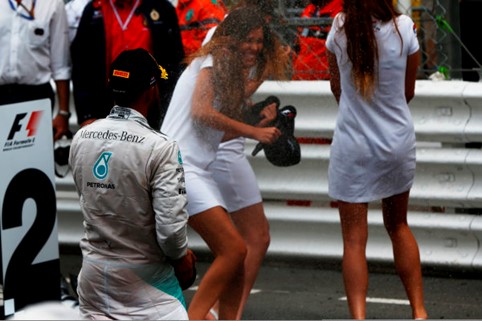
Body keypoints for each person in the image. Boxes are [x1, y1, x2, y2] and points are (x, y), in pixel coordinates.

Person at [161, 7, 290, 320]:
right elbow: (201, 111)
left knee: (237, 254)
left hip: (193, 168)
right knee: (234, 250)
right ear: (231, 38)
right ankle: (196, 317)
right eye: (248, 40)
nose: (255, 48)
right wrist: (254, 131)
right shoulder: (215, 57)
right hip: (178, 167)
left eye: (260, 42)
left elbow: (223, 117)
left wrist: (262, 79)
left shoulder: (227, 65)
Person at [69, 48, 196, 320]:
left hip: (92, 277)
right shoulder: (161, 147)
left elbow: (89, 198)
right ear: (152, 90)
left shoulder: (81, 137)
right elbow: (171, 233)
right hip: (145, 283)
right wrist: (183, 258)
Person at [325, 1, 428, 319]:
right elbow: (407, 91)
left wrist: (360, 112)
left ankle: (358, 316)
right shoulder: (405, 28)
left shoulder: (340, 27)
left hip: (353, 145)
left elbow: (336, 88)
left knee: (354, 240)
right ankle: (419, 311)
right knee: (398, 225)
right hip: (396, 142)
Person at [200, 0, 292, 319]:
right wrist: (267, 72)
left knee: (241, 242)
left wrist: (258, 115)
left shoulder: (235, 35)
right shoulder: (223, 38)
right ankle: (221, 311)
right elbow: (223, 106)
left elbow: (231, 101)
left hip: (222, 146)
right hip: (219, 151)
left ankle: (222, 310)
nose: (257, 42)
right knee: (253, 238)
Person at [70, 0, 185, 130]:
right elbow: (82, 66)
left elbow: (175, 62)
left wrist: (169, 109)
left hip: (150, 107)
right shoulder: (94, 9)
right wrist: (87, 115)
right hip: (106, 107)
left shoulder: (162, 7)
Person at [0, 0, 71, 141]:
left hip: (35, 97)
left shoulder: (53, 3)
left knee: (33, 159)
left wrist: (63, 113)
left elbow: (61, 64)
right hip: (1, 94)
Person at [292, 0, 342, 80]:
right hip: (300, 78)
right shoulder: (310, 9)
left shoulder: (342, 9)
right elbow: (299, 43)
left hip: (326, 81)